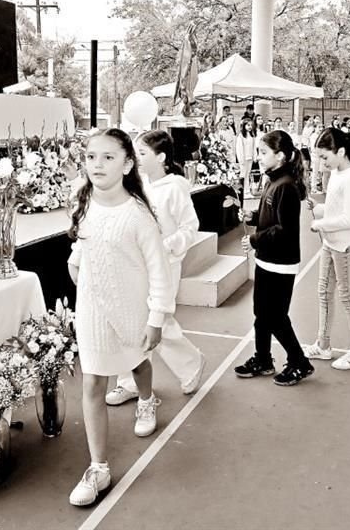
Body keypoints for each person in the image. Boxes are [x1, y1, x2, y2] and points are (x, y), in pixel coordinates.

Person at [65, 128, 175, 506]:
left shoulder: (139, 215)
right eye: (92, 156)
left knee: (138, 361)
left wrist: (156, 318)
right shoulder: (84, 202)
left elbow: (159, 271)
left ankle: (145, 399)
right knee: (93, 382)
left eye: (109, 157)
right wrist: (75, 261)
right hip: (92, 310)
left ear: (128, 164)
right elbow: (83, 240)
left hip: (131, 308)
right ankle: (98, 466)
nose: (98, 164)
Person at [105, 130, 207, 407]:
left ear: (160, 157)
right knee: (134, 321)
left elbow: (190, 227)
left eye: (142, 153)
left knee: (157, 321)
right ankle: (129, 382)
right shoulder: (140, 185)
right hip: (138, 265)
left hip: (165, 266)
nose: (136, 159)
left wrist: (166, 246)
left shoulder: (175, 188)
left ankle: (191, 364)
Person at [234, 131, 315, 386]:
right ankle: (263, 358)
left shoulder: (287, 186)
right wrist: (252, 217)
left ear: (279, 156)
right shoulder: (273, 181)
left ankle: (299, 361)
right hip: (266, 260)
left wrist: (255, 239)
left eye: (263, 152)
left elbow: (285, 229)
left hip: (281, 262)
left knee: (276, 317)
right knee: (261, 313)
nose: (259, 157)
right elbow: (269, 215)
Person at [303, 128, 350, 370]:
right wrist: (318, 208)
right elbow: (335, 211)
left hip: (344, 245)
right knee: (324, 292)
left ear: (340, 152)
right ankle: (323, 345)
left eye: (324, 157)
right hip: (330, 243)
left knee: (346, 296)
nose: (322, 163)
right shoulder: (337, 174)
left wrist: (318, 223)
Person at [235, 120, 257, 198]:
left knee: (247, 175)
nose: (250, 127)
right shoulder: (241, 136)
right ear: (244, 126)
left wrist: (255, 156)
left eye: (251, 125)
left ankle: (247, 192)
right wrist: (241, 160)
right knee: (243, 175)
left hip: (249, 158)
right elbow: (239, 149)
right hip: (243, 159)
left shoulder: (252, 136)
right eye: (248, 125)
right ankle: (243, 192)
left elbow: (254, 147)